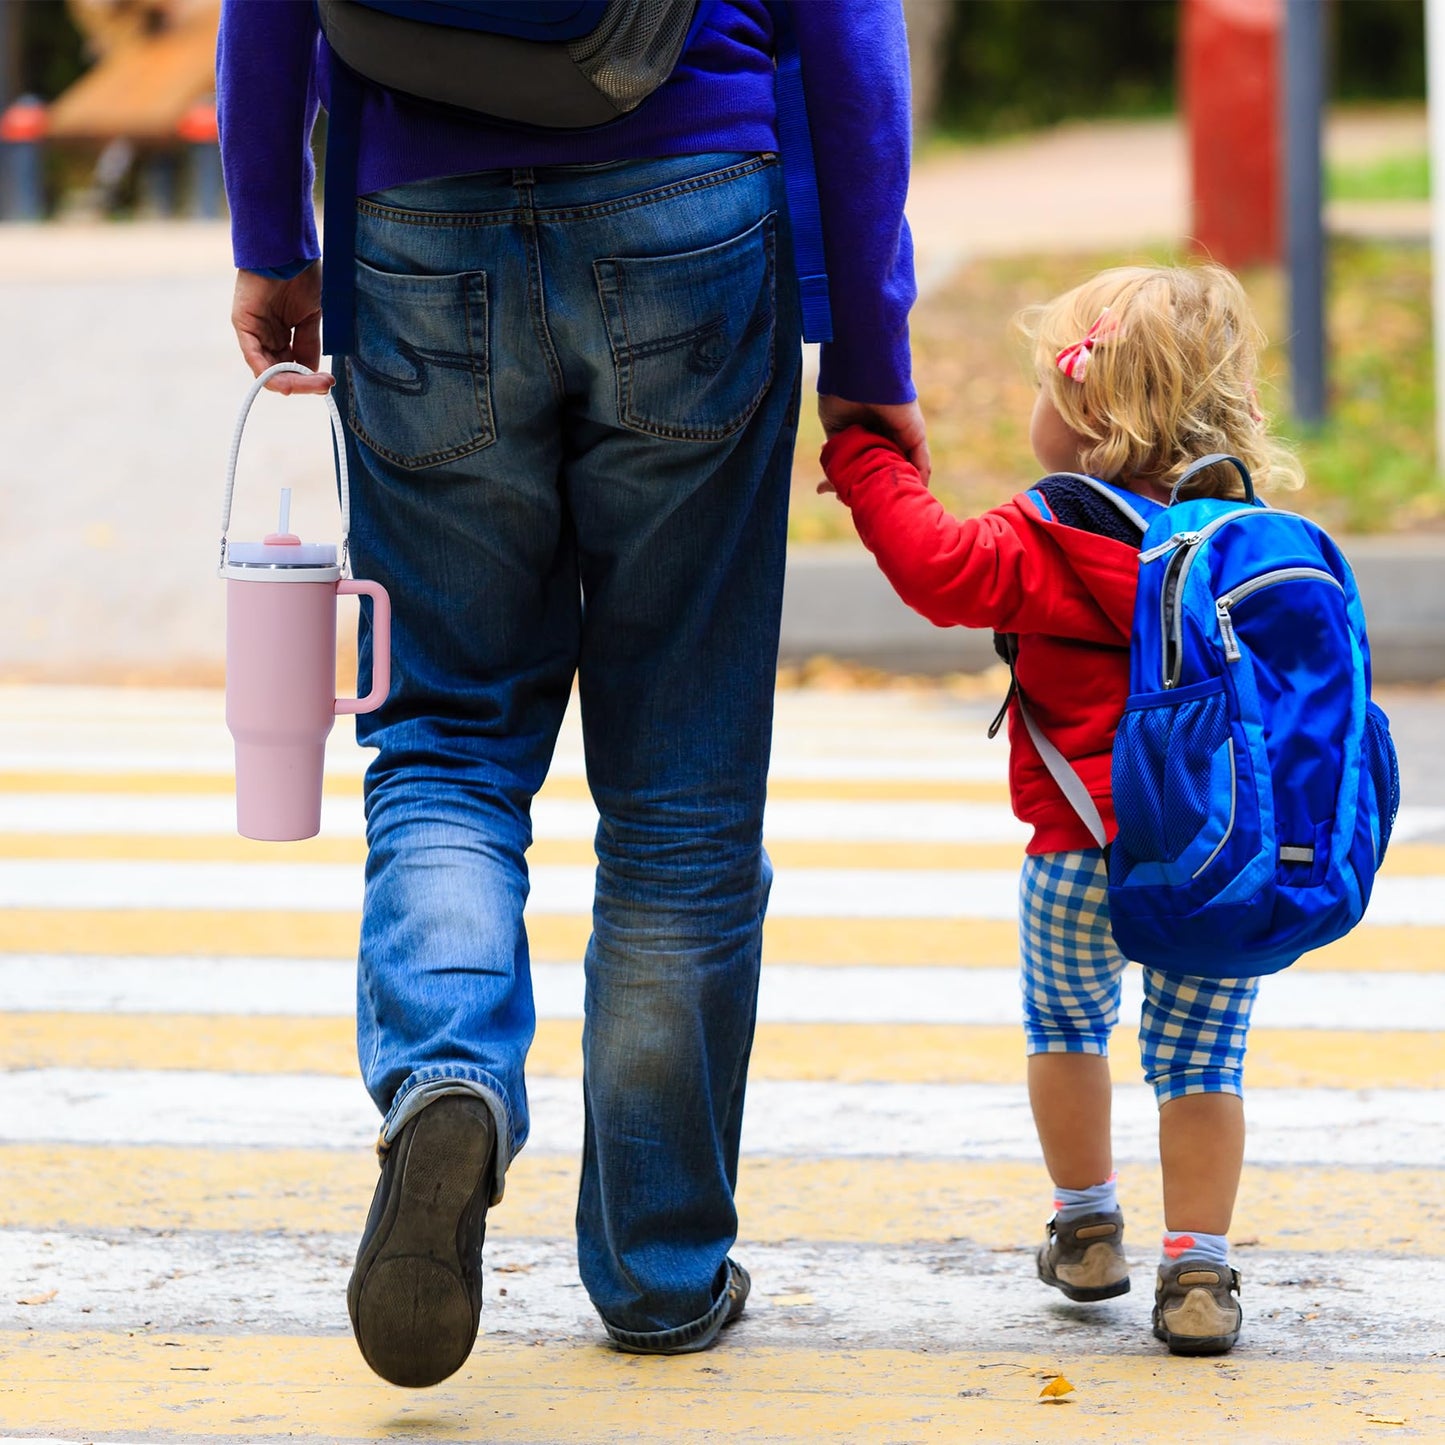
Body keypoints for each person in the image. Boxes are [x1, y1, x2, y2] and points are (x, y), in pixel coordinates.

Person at [216, 0, 923, 1388]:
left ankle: (447, 1075)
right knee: (681, 783)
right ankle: (659, 1270)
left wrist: (271, 234)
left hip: (416, 220)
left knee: (445, 734)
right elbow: (849, 37)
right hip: (689, 206)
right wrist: (868, 344)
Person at [820, 263, 1305, 1357]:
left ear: (1086, 415)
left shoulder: (1055, 531)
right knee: (1203, 1064)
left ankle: (1085, 1227)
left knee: (1065, 1030)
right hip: (1219, 860)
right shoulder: (1248, 543)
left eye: (1045, 385)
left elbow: (936, 566)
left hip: (1076, 852)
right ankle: (1197, 1269)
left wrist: (864, 458)